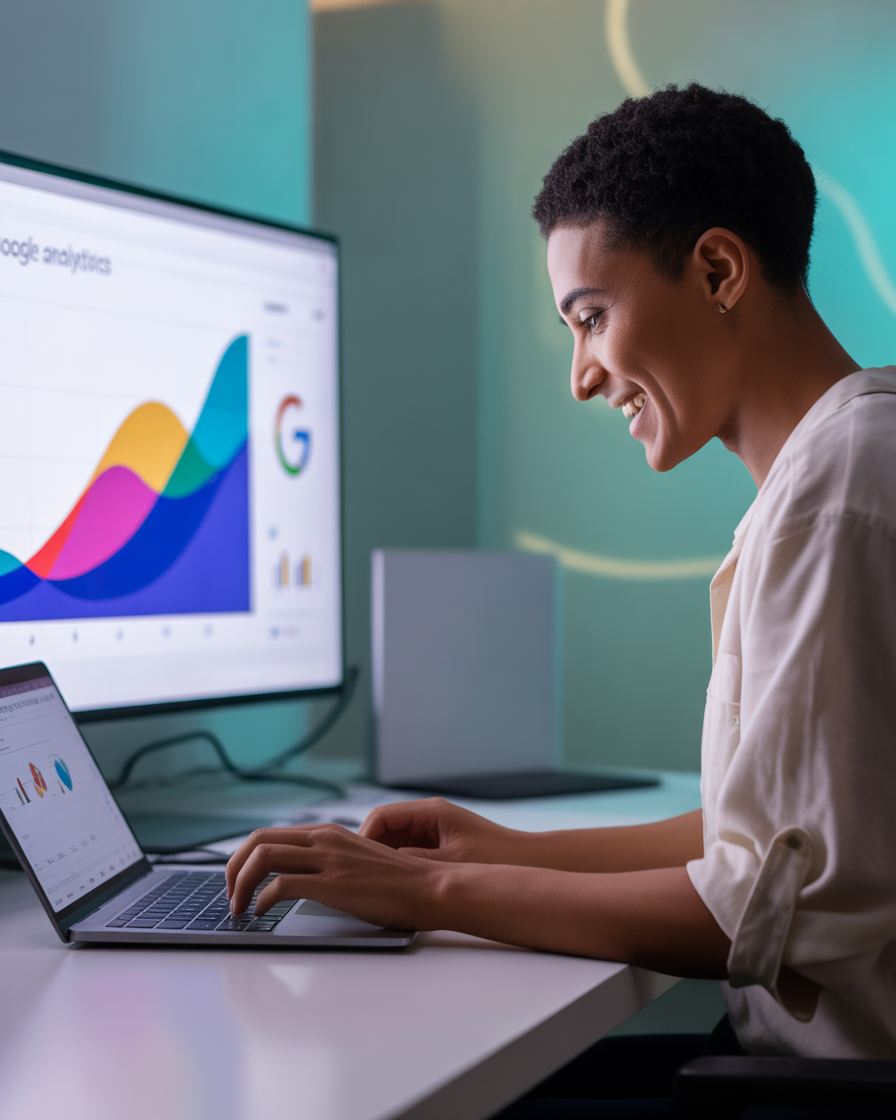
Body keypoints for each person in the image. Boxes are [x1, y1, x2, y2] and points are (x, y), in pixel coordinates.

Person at [226, 85, 896, 1116]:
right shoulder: (836, 466)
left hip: (822, 1093)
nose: (582, 375)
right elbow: (761, 837)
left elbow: (758, 910)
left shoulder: (838, 491)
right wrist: (499, 847)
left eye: (591, 318)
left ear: (717, 270)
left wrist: (430, 892)